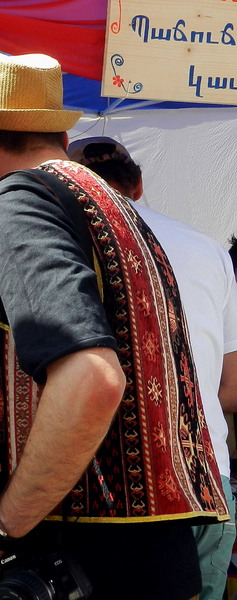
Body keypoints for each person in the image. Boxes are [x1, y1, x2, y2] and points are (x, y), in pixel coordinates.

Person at [0, 51, 229, 600]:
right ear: (62, 138)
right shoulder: (114, 207)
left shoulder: (17, 197)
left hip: (82, 563)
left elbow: (92, 378)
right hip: (155, 560)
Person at [68, 136, 237, 600]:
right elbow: (231, 388)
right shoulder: (210, 250)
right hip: (209, 477)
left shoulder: (71, 250)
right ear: (139, 185)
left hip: (115, 489)